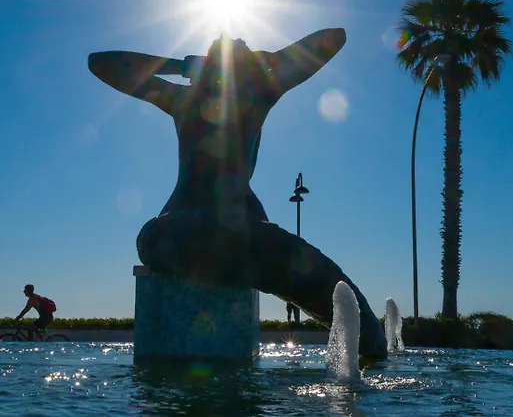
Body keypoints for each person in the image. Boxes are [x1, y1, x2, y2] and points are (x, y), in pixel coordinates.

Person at [87, 29, 387, 358]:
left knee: (364, 332)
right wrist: (184, 66)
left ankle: (371, 342)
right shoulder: (195, 98)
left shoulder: (251, 94)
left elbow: (333, 39)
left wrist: (263, 61)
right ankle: (371, 343)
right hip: (193, 227)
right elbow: (100, 63)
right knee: (160, 238)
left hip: (220, 228)